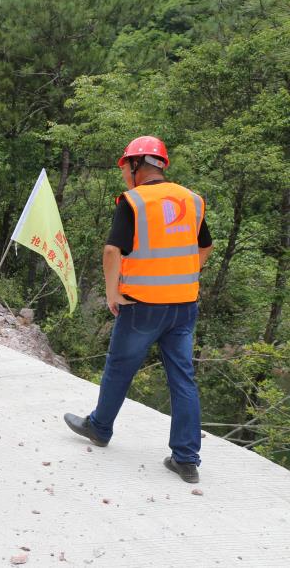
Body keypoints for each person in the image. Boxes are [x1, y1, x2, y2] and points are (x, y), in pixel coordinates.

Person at [64, 136, 213, 484]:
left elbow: (111, 252)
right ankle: (187, 459)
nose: (124, 176)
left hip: (142, 306)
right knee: (183, 379)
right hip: (184, 306)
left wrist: (112, 292)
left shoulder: (133, 201)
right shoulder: (192, 200)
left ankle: (100, 428)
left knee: (119, 367)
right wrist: (182, 276)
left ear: (136, 165)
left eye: (124, 168)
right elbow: (204, 247)